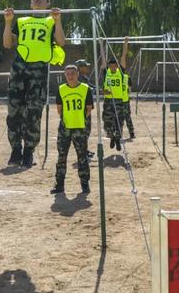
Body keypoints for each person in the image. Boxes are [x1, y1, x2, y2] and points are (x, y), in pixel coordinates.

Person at [3, 0, 65, 168]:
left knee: (34, 112)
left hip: (38, 72)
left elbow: (61, 42)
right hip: (19, 69)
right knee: (14, 110)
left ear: (48, 3)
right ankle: (16, 150)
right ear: (30, 4)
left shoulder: (51, 21)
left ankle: (28, 151)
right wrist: (8, 22)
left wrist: (58, 21)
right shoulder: (22, 21)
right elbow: (7, 43)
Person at [51, 64, 93, 194]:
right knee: (61, 156)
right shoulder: (61, 89)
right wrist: (67, 119)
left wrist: (79, 119)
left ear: (77, 74)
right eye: (68, 74)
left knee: (82, 157)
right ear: (65, 75)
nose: (70, 76)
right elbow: (59, 109)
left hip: (80, 128)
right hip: (65, 128)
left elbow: (89, 108)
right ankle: (59, 185)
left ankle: (85, 185)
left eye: (73, 73)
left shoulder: (85, 88)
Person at [101, 37, 128, 151]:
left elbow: (123, 56)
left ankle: (117, 139)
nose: (112, 67)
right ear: (109, 65)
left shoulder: (120, 72)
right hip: (108, 101)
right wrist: (101, 43)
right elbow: (103, 57)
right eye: (111, 65)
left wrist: (125, 43)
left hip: (118, 101)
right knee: (107, 122)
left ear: (117, 66)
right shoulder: (105, 72)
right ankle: (112, 137)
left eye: (114, 65)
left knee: (119, 122)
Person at [75, 58, 95, 159]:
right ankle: (82, 152)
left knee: (87, 131)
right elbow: (88, 89)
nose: (87, 68)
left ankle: (84, 150)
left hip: (86, 107)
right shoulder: (78, 78)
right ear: (80, 67)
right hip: (81, 108)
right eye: (85, 66)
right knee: (83, 131)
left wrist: (99, 89)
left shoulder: (84, 77)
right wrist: (98, 90)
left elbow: (91, 87)